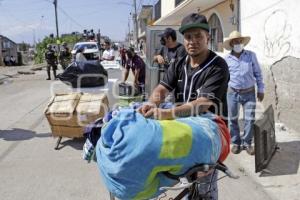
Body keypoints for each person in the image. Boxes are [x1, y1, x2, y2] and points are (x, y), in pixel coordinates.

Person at [138, 13, 229, 200]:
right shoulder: (180, 63)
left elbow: (203, 104)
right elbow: (162, 88)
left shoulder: (218, 66)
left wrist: (165, 113)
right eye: (188, 37)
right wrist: (151, 103)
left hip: (209, 132)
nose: (192, 41)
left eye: (198, 36)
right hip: (184, 126)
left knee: (203, 187)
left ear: (208, 38)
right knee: (179, 174)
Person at [223, 30, 265, 155]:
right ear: (231, 44)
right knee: (233, 119)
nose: (238, 43)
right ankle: (236, 142)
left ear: (243, 42)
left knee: (249, 119)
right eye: (235, 41)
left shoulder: (251, 55)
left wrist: (261, 89)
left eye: (240, 41)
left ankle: (247, 143)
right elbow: (224, 78)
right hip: (232, 93)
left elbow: (258, 73)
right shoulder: (226, 59)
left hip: (249, 93)